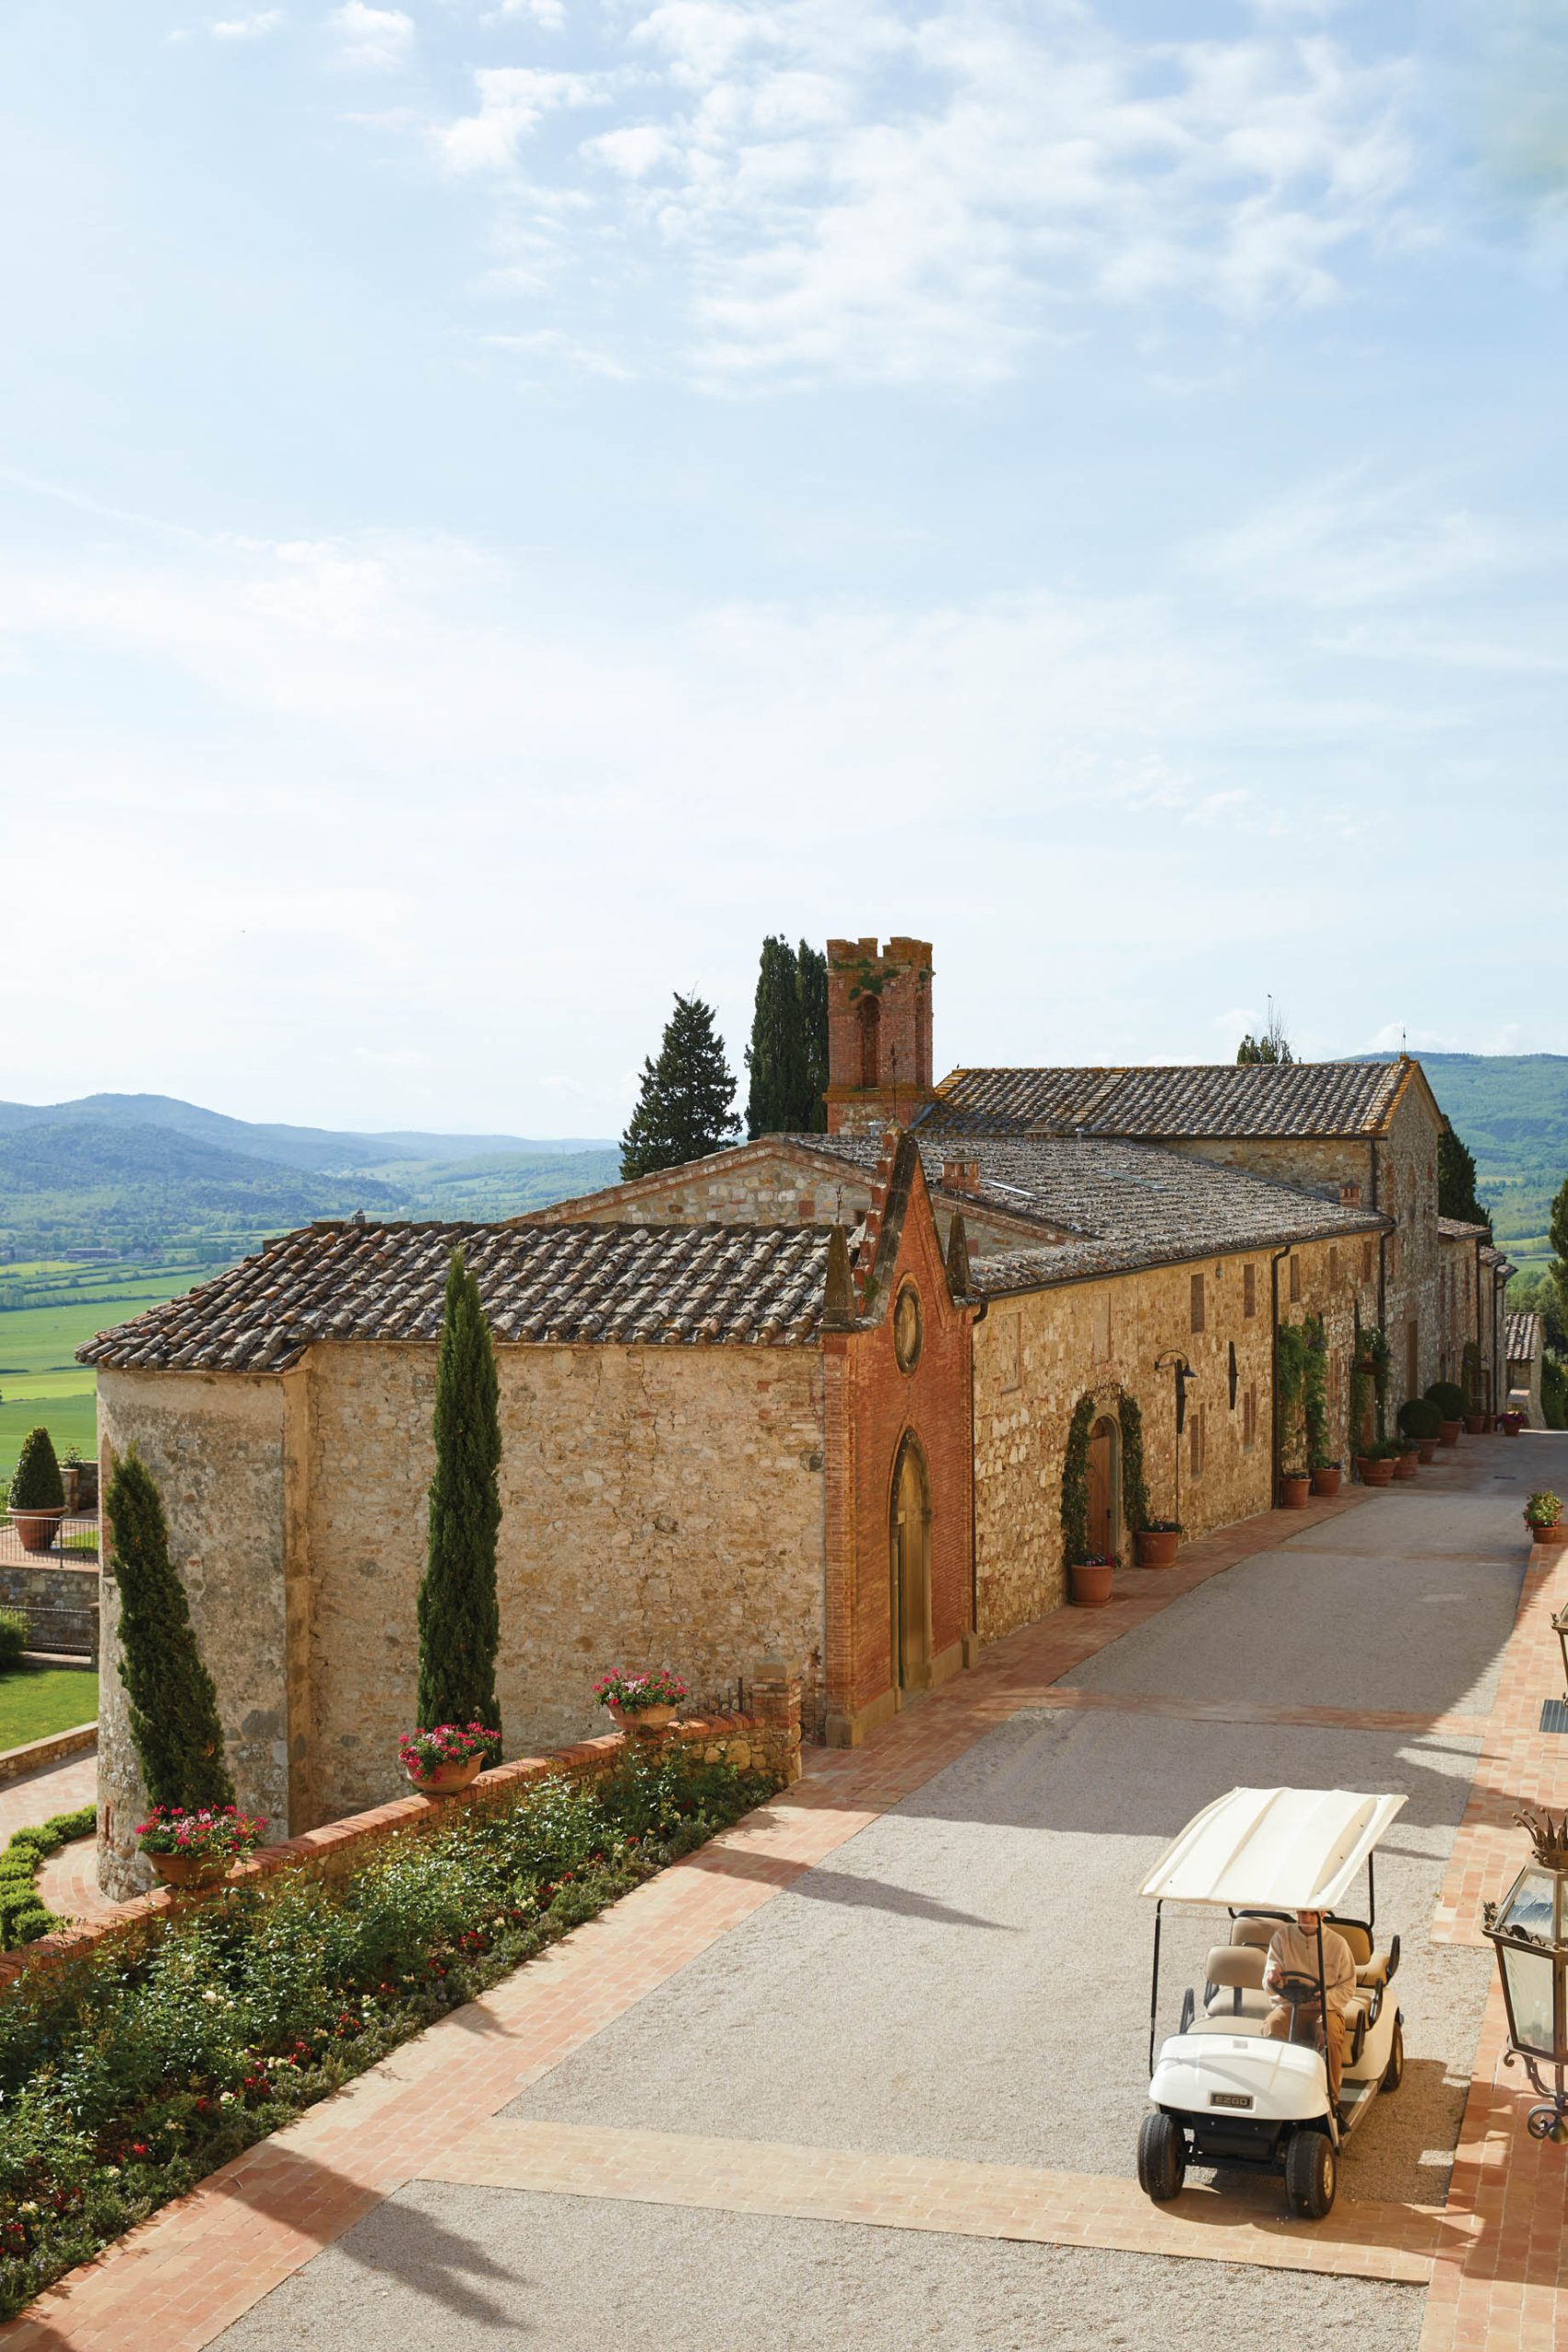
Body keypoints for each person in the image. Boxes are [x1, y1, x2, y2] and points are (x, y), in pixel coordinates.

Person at [1263, 1909, 1356, 2106]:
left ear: (1322, 1914)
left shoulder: (1337, 1944)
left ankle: (1331, 2103)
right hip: (1290, 2005)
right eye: (1302, 1913)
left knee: (1328, 2034)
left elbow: (1348, 1986)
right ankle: (1274, 2098)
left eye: (1311, 1914)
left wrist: (1327, 1999)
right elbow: (1269, 1981)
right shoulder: (1282, 1938)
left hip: (1325, 2009)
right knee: (1272, 2026)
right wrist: (1274, 1979)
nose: (1306, 1919)